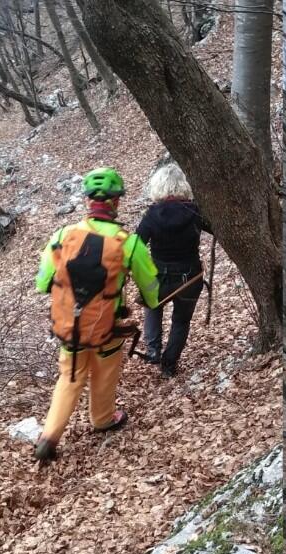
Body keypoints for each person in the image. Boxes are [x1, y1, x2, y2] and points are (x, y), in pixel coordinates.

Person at [33, 167, 161, 461]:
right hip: (107, 326)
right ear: (116, 202)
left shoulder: (63, 235)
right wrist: (150, 300)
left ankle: (49, 435)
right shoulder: (128, 243)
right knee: (105, 374)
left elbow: (42, 283)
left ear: (87, 201)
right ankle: (103, 419)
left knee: (70, 377)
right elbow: (152, 288)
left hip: (70, 327)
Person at [136, 163, 212, 378]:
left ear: (159, 187)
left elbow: (137, 244)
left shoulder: (152, 215)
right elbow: (219, 229)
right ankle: (168, 365)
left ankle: (153, 350)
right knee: (181, 321)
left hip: (159, 278)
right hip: (190, 278)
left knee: (152, 305)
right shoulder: (194, 211)